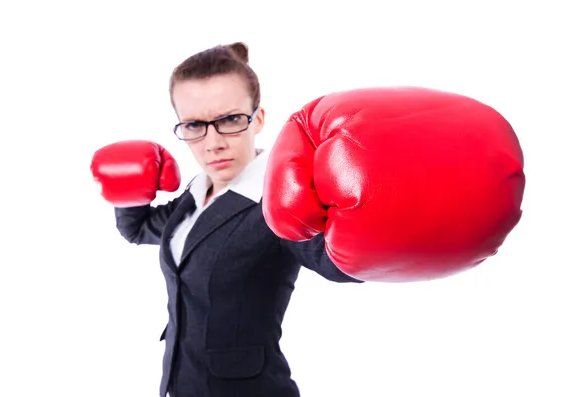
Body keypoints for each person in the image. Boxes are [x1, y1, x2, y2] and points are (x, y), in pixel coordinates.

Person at [91, 42, 363, 397]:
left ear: (259, 119)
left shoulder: (279, 203)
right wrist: (128, 188)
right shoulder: (196, 192)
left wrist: (364, 197)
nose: (213, 142)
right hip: (179, 384)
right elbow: (138, 230)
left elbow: (340, 265)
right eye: (194, 125)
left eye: (231, 120)